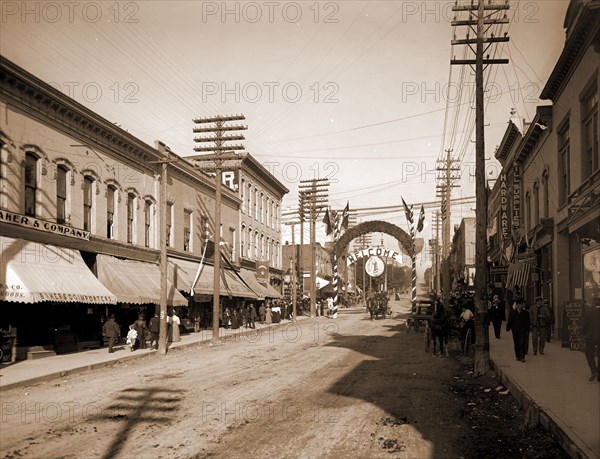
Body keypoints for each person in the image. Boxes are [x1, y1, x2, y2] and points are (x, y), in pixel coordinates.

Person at [581, 298, 600, 382]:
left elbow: (584, 325)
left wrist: (584, 334)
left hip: (590, 337)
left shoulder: (589, 312)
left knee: (589, 354)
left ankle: (594, 371)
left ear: (593, 304)